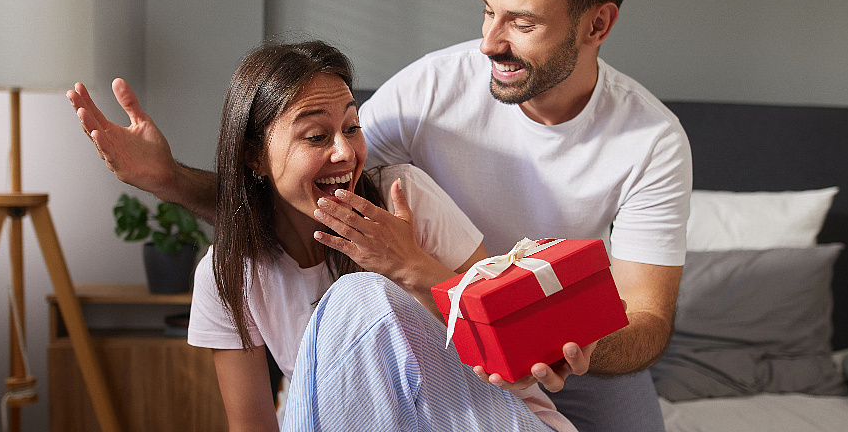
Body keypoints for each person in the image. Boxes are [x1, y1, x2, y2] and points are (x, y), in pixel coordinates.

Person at [68, 0, 690, 431]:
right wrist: (168, 181)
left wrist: (558, 337)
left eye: (521, 22)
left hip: (573, 348)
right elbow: (302, 186)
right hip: (441, 335)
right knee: (362, 303)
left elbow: (648, 319)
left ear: (597, 25)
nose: (489, 42)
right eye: (487, 10)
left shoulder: (651, 140)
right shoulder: (433, 91)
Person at [74, 40, 581, 430]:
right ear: (254, 155)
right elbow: (250, 424)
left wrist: (410, 267)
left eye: (352, 127)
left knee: (360, 294)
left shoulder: (406, 197)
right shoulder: (228, 272)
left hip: (488, 415)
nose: (345, 152)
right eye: (317, 136)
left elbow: (517, 355)